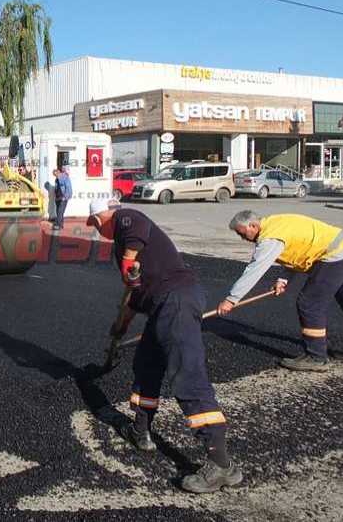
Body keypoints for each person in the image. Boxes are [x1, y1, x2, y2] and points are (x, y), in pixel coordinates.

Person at [87, 199, 241, 493]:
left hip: (176, 300)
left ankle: (221, 463)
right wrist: (120, 328)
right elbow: (132, 296)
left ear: (102, 216)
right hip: (162, 307)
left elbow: (134, 227)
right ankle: (140, 431)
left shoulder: (126, 220)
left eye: (95, 224)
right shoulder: (121, 247)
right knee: (146, 366)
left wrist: (129, 262)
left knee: (187, 376)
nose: (95, 231)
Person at [218, 211, 343, 371]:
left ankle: (316, 357)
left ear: (253, 225)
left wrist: (231, 299)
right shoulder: (275, 223)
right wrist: (283, 279)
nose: (243, 238)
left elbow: (255, 270)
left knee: (309, 303)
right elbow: (298, 249)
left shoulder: (270, 238)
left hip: (335, 255)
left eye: (243, 233)